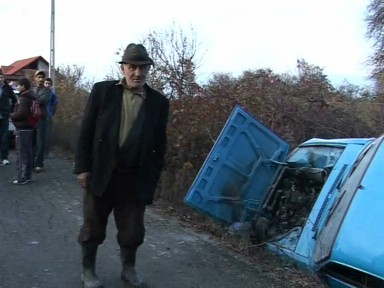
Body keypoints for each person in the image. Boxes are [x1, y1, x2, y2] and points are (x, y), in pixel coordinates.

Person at [73, 43, 169, 288]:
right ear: (123, 67)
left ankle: (128, 270)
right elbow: (86, 131)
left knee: (133, 231)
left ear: (149, 69)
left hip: (135, 178)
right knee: (93, 227)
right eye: (132, 67)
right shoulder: (103, 91)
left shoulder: (158, 102)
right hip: (102, 173)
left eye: (142, 67)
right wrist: (83, 167)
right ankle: (88, 271)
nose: (137, 73)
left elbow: (160, 144)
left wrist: (154, 177)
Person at [10, 78, 35, 184]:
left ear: (23, 86)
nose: (17, 87)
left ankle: (22, 177)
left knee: (22, 153)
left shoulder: (24, 98)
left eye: (19, 85)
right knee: (28, 152)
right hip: (29, 127)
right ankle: (28, 175)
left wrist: (11, 115)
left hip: (23, 127)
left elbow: (22, 113)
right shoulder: (31, 96)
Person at [32, 70, 51, 172]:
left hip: (41, 118)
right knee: (32, 141)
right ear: (35, 78)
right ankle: (31, 162)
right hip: (31, 119)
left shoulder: (47, 91)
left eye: (42, 77)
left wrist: (33, 100)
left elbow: (42, 101)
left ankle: (39, 163)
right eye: (38, 77)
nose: (40, 79)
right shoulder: (32, 90)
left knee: (40, 141)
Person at [0, 70, 17, 165]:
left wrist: (10, 110)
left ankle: (4, 157)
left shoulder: (7, 88)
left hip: (4, 115)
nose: (0, 79)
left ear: (4, 78)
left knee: (4, 137)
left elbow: (15, 99)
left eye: (1, 77)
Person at [44, 77, 58, 156]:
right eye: (46, 83)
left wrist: (52, 113)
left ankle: (46, 152)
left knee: (47, 134)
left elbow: (55, 104)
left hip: (48, 115)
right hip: (40, 116)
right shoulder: (40, 92)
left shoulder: (52, 95)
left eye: (49, 84)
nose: (47, 85)